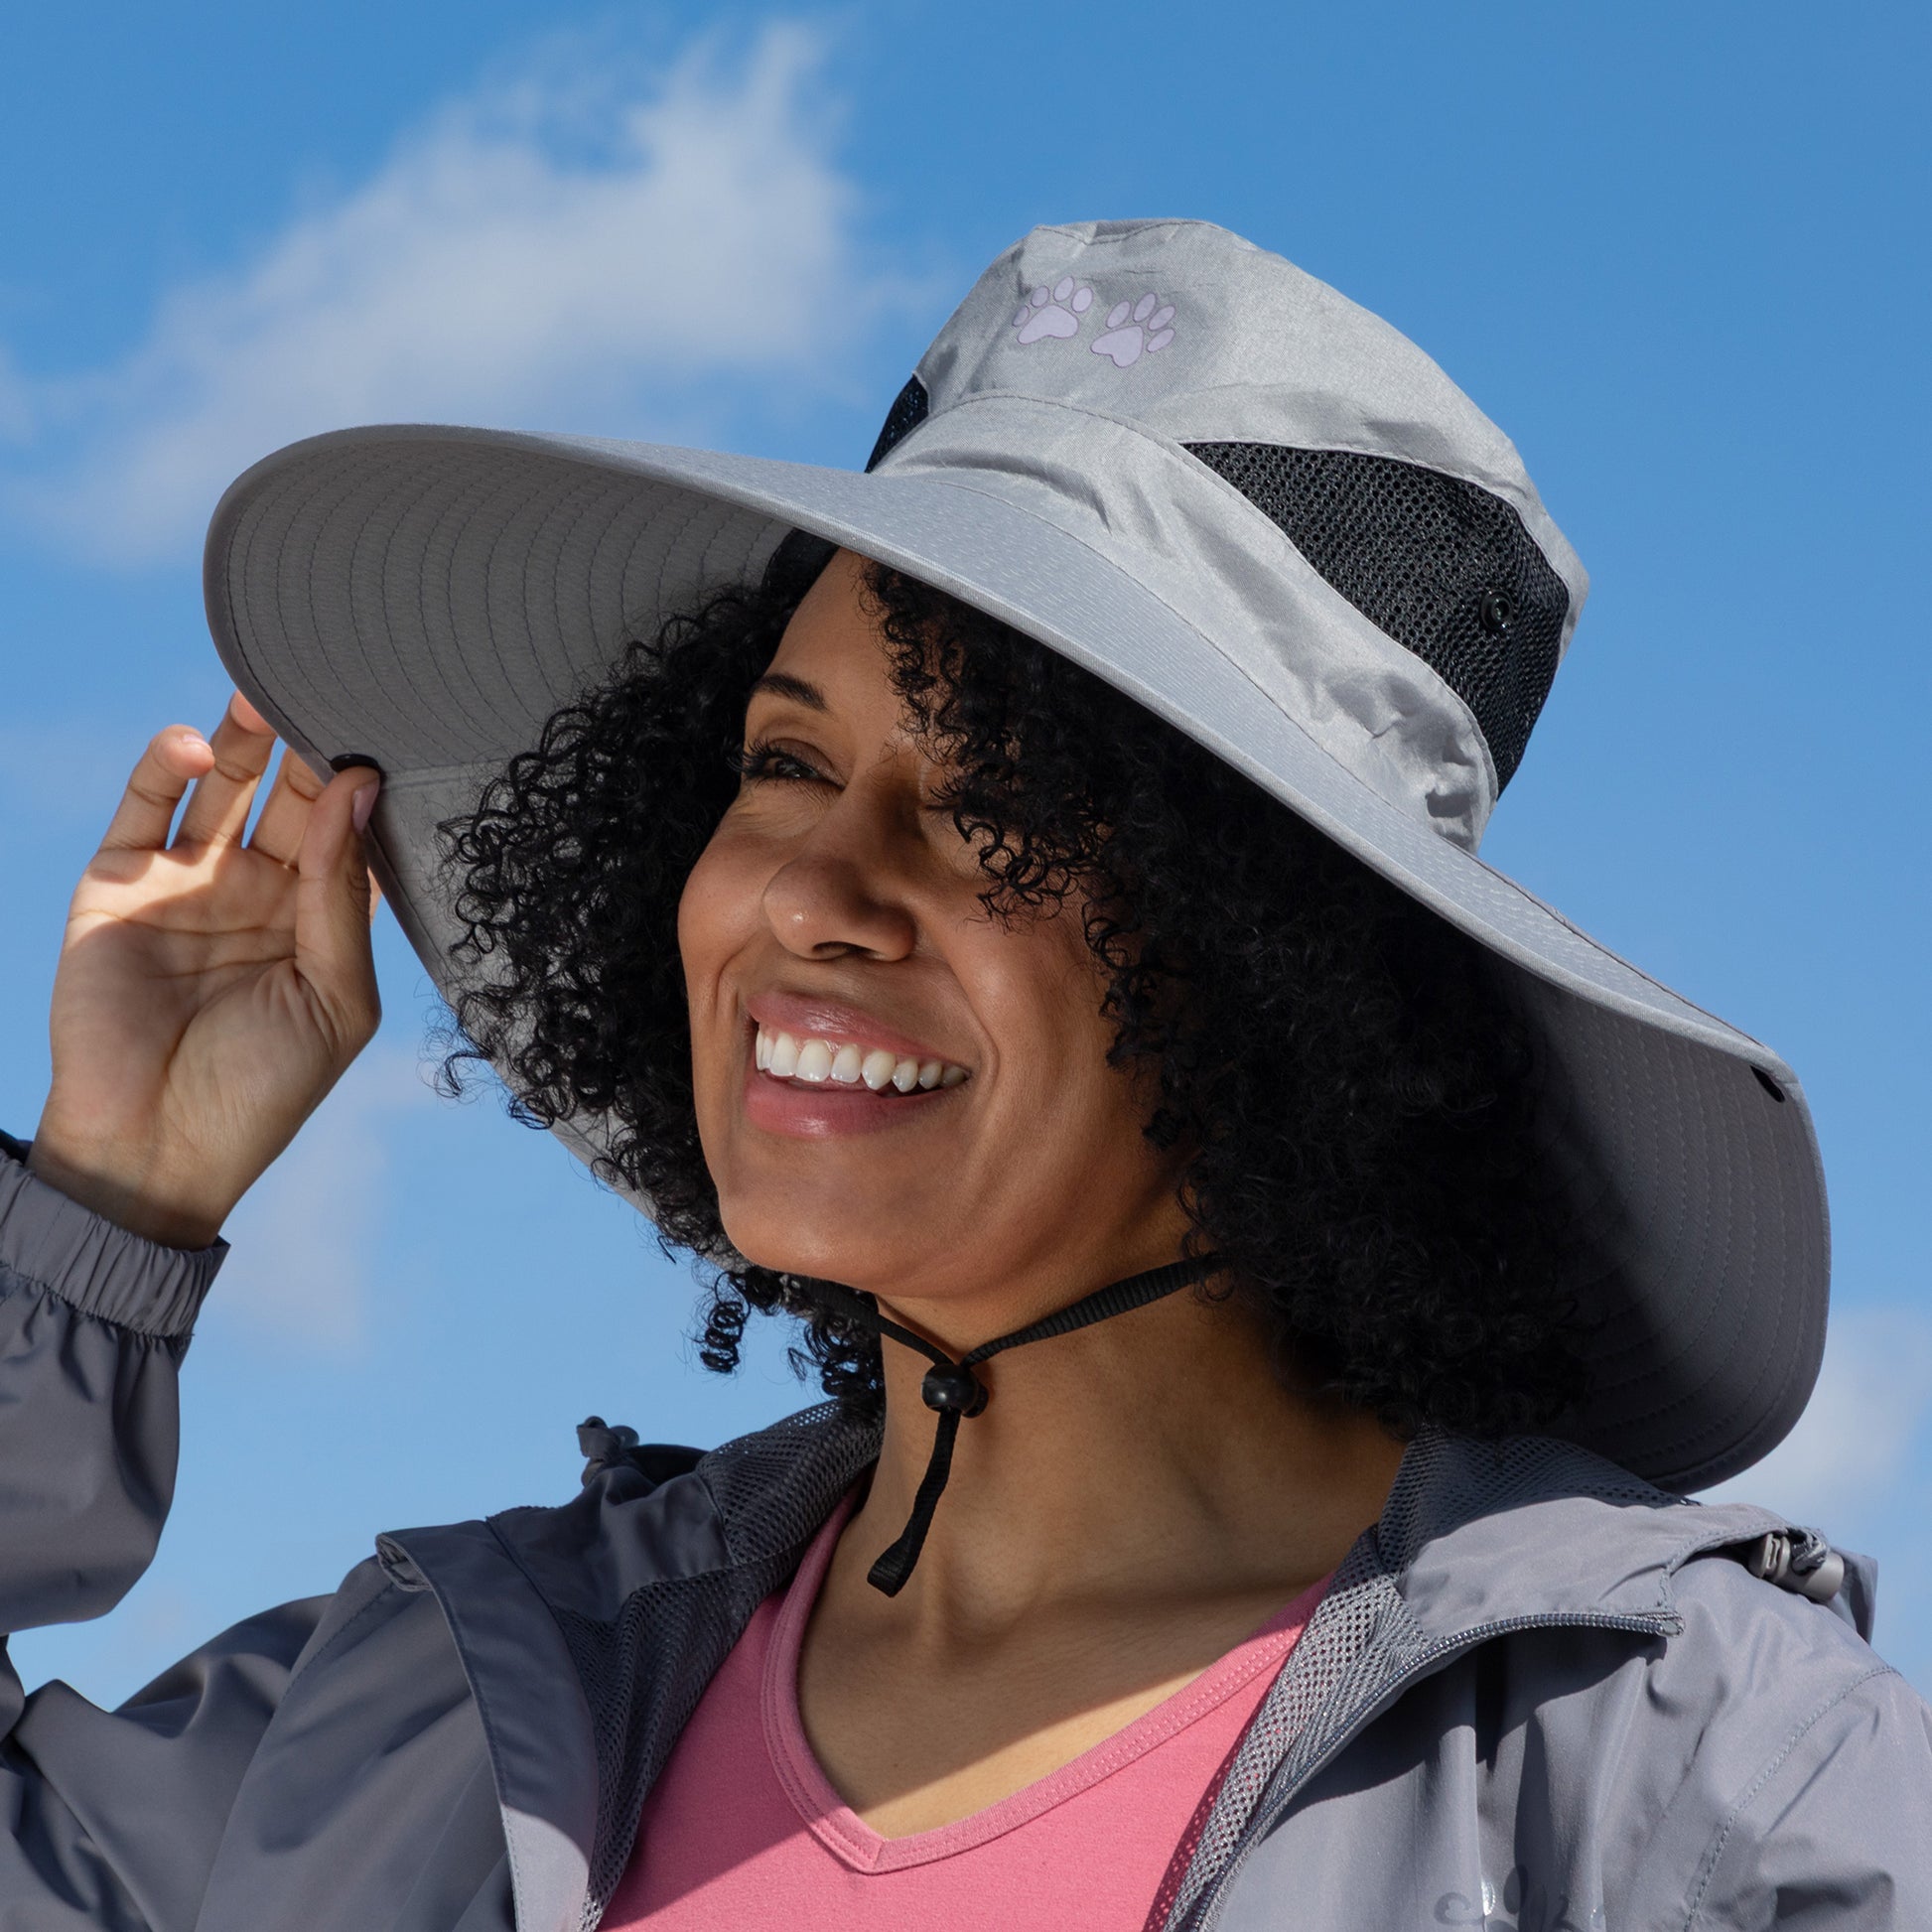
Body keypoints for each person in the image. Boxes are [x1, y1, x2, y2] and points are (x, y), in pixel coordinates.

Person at [2, 218, 1926, 1931]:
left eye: (1001, 806)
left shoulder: (1701, 1795)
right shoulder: (448, 1701)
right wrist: (106, 1211)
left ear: (1285, 973)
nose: (815, 896)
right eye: (781, 760)